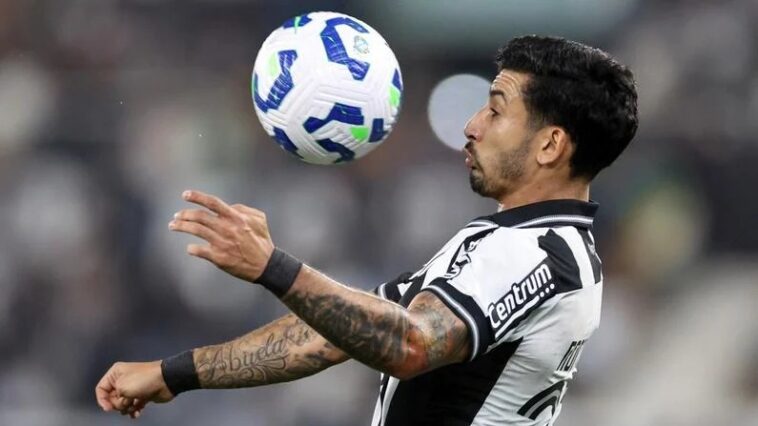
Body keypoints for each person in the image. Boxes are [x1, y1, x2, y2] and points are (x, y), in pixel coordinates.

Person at [95, 35, 638, 425]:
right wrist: (173, 373)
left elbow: (407, 344)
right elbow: (332, 336)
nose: (471, 127)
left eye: (495, 112)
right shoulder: (525, 242)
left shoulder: (538, 252)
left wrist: (271, 267)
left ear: (550, 145)